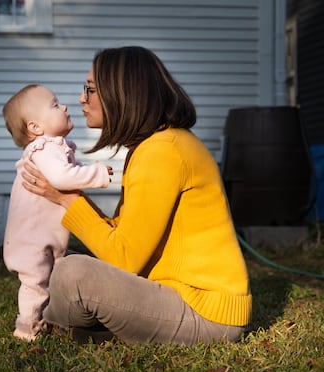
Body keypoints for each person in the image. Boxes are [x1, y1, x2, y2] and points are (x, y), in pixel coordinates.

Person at [21, 46, 252, 345]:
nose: (81, 99)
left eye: (90, 89)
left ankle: (53, 330)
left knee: (72, 272)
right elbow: (123, 236)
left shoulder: (164, 151)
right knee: (61, 264)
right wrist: (71, 195)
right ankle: (92, 330)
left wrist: (67, 199)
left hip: (206, 313)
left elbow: (125, 258)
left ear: (122, 93)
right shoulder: (151, 147)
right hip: (176, 296)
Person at [2, 84, 113, 342]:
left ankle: (51, 320)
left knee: (52, 280)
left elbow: (67, 169)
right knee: (35, 284)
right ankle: (27, 330)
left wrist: (87, 168)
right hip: (30, 240)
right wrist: (96, 173)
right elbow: (61, 177)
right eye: (54, 105)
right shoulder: (43, 149)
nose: (64, 106)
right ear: (35, 128)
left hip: (44, 235)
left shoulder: (53, 148)